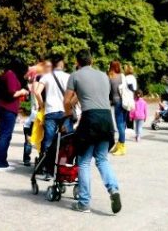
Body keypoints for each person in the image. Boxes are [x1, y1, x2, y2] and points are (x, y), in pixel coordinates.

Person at [64, 50, 121, 214]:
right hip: (106, 119)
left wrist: (68, 116)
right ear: (92, 60)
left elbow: (67, 101)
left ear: (77, 62)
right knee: (102, 159)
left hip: (90, 119)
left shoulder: (74, 75)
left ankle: (84, 203)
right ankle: (114, 190)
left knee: (83, 162)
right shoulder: (104, 76)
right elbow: (93, 96)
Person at [35, 54, 73, 177]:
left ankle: (47, 169)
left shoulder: (46, 77)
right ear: (61, 64)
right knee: (66, 140)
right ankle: (63, 166)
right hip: (64, 112)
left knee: (48, 140)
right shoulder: (68, 77)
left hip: (50, 111)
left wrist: (41, 105)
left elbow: (36, 92)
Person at [0, 58, 29, 172]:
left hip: (5, 107)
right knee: (5, 135)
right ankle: (1, 163)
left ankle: (2, 161)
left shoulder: (8, 74)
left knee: (4, 134)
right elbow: (12, 92)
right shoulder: (10, 75)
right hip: (7, 108)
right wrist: (23, 92)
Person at [108, 60, 129, 156]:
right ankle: (120, 144)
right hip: (125, 102)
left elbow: (109, 92)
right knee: (123, 123)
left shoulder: (110, 77)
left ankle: (122, 146)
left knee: (120, 125)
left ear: (111, 67)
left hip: (117, 102)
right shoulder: (122, 76)